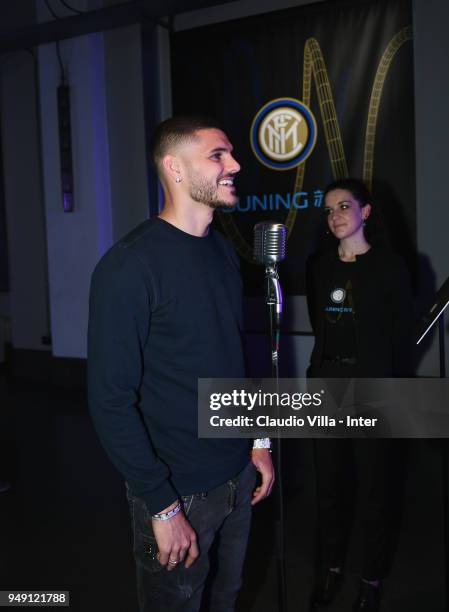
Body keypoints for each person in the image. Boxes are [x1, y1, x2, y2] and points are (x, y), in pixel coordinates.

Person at [87, 116, 274, 612]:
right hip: (180, 492)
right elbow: (110, 400)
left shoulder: (222, 253)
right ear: (174, 167)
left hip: (237, 477)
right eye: (218, 156)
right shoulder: (129, 266)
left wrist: (256, 440)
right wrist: (162, 504)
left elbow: (236, 357)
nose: (235, 164)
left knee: (226, 599)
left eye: (230, 154)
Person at [306, 178, 413, 612]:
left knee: (374, 489)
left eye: (345, 206)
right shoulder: (318, 266)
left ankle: (371, 577)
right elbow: (320, 325)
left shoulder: (390, 267)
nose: (335, 216)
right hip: (327, 387)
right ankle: (332, 569)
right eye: (329, 209)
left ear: (365, 212)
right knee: (329, 487)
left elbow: (400, 336)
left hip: (373, 390)